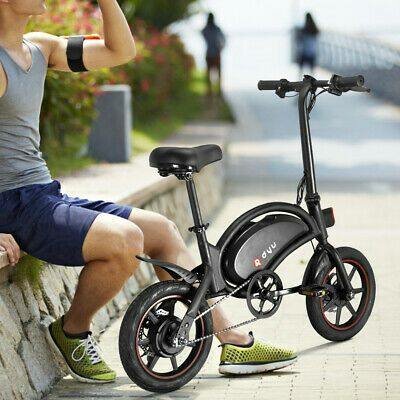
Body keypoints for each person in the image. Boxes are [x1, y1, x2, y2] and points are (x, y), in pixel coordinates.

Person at [0, 0, 297, 384]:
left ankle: (232, 340)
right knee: (126, 240)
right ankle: (73, 330)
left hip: (44, 194)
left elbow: (119, 51)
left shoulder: (40, 48)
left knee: (162, 230)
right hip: (14, 203)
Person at [201, 12, 226, 96]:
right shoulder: (217, 29)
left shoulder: (205, 29)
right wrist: (221, 48)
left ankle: (210, 91)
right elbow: (223, 40)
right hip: (216, 53)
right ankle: (218, 91)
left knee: (209, 73)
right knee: (218, 73)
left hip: (209, 53)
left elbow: (202, 34)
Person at [297, 12, 319, 76]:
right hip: (312, 51)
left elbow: (300, 40)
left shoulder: (304, 29)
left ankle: (299, 80)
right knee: (312, 71)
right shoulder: (315, 29)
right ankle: (312, 81)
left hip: (305, 52)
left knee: (300, 70)